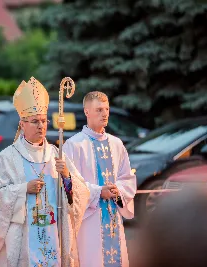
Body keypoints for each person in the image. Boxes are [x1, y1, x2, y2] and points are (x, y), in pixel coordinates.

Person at [0, 77, 90, 267]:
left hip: (53, 233)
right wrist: (23, 189)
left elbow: (81, 194)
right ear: (22, 124)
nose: (41, 126)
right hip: (23, 237)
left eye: (43, 121)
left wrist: (66, 175)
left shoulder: (57, 154)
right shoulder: (8, 157)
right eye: (34, 122)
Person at [63, 91, 137, 267]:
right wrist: (97, 192)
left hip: (112, 217)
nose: (104, 114)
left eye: (106, 109)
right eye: (99, 109)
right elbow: (68, 184)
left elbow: (127, 178)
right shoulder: (74, 145)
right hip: (89, 220)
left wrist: (117, 190)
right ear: (87, 112)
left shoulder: (117, 144)